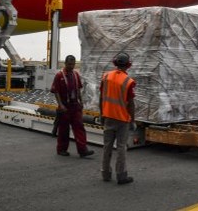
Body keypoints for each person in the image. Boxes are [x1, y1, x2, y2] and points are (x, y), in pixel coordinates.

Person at [99, 52, 136, 185]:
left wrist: (101, 113)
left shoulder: (106, 77)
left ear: (115, 63)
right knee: (121, 147)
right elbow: (131, 104)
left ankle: (105, 174)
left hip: (108, 116)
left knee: (107, 146)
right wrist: (132, 120)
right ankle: (121, 176)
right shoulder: (128, 81)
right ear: (128, 65)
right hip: (122, 120)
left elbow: (101, 97)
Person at [50, 55, 94, 157]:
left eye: (73, 64)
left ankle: (83, 150)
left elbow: (78, 89)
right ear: (65, 63)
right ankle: (61, 149)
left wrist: (81, 101)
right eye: (70, 64)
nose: (72, 66)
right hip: (65, 106)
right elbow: (56, 91)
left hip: (75, 105)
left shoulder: (75, 75)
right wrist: (60, 105)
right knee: (64, 130)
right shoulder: (59, 76)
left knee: (79, 127)